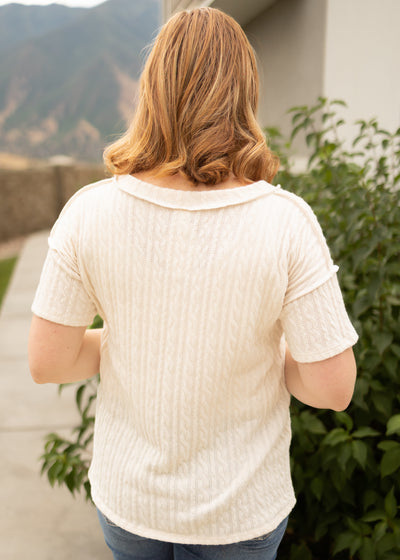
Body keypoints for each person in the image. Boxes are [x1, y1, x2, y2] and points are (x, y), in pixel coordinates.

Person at [28, 7, 358, 560]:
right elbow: (332, 389)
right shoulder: (285, 221)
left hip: (133, 503)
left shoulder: (90, 212)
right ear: (245, 94)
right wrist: (259, 353)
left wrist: (134, 340)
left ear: (152, 88)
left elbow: (50, 363)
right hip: (240, 511)